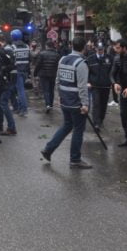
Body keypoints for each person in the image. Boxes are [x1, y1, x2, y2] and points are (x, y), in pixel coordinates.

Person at [40, 37, 92, 169]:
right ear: (84, 48)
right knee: (78, 130)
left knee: (67, 126)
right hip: (76, 103)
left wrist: (59, 97)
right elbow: (82, 86)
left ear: (72, 46)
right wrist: (85, 104)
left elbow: (58, 80)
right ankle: (75, 159)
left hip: (65, 101)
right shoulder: (81, 63)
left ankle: (48, 149)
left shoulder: (63, 59)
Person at [86, 41, 112, 131]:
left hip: (106, 85)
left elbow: (112, 72)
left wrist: (113, 82)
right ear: (95, 49)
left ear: (104, 49)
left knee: (103, 104)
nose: (100, 51)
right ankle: (96, 123)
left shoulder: (109, 58)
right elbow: (87, 72)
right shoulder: (90, 59)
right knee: (96, 103)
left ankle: (101, 119)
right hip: (95, 85)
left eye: (101, 49)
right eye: (98, 49)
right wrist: (88, 82)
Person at [0, 34, 17, 136]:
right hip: (6, 79)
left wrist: (2, 69)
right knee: (1, 102)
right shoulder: (7, 49)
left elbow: (11, 64)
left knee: (3, 103)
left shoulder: (7, 50)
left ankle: (11, 127)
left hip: (7, 79)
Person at [9, 29, 31, 117]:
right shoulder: (26, 46)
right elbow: (30, 59)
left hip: (16, 72)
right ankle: (18, 107)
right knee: (14, 90)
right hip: (24, 71)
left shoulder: (12, 47)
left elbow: (11, 60)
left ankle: (23, 109)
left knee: (20, 91)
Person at [34, 40, 60, 112]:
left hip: (43, 74)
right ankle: (51, 105)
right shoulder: (57, 54)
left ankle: (47, 104)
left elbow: (38, 65)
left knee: (46, 90)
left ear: (46, 46)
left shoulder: (42, 54)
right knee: (51, 90)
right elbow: (58, 65)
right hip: (53, 74)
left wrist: (35, 73)